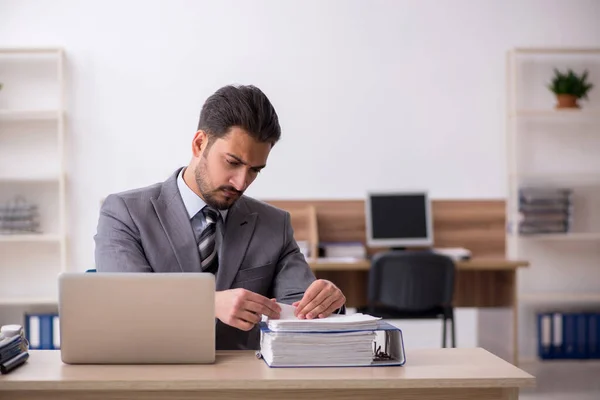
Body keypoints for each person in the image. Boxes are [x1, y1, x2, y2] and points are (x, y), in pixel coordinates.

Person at [94, 84, 346, 350]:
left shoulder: (275, 225)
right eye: (233, 162)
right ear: (199, 143)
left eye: (255, 170)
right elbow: (124, 299)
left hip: (245, 384)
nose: (241, 183)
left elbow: (300, 313)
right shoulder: (124, 212)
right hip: (152, 377)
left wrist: (326, 303)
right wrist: (208, 303)